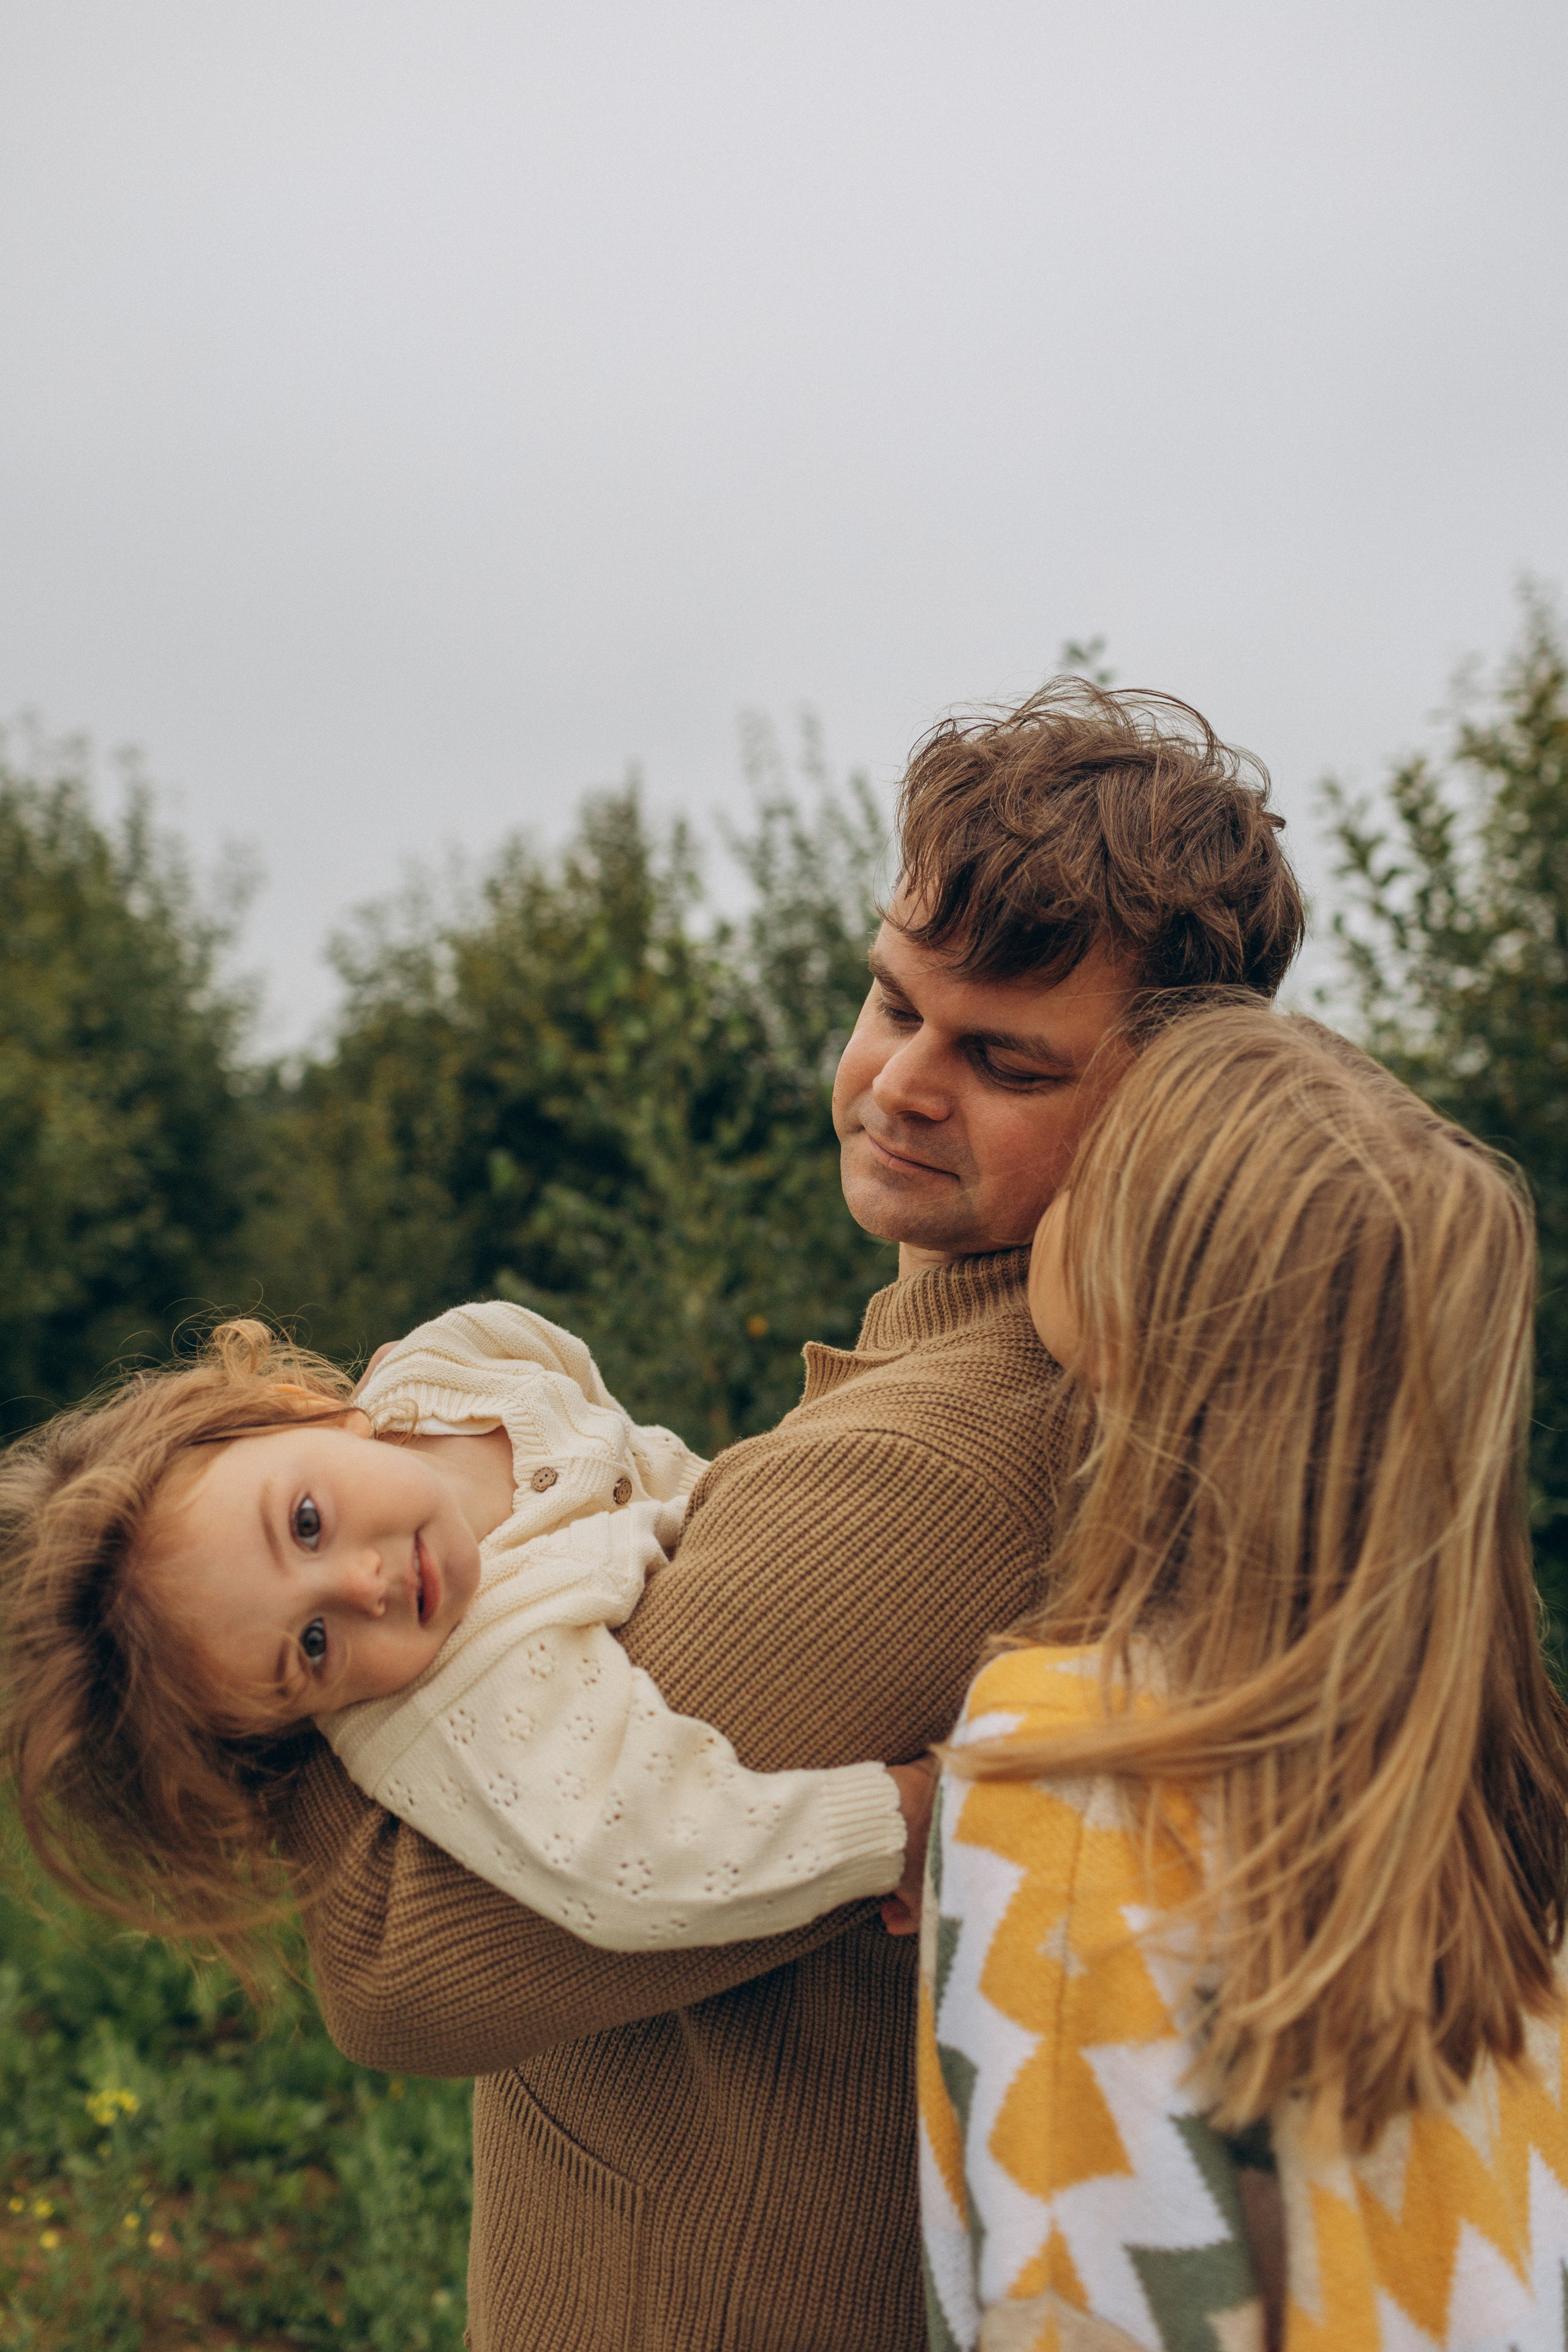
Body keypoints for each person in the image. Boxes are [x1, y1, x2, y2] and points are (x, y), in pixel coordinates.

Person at [194, 681, 1307, 2350]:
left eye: (1003, 1058)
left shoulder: (946, 1451)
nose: (902, 1082)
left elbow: (409, 1969)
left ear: (1170, 1109)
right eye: (895, 1000)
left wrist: (227, 1647)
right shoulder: (949, 1358)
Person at [921, 1003, 1568, 2352]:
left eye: (1099, 1172)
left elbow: (1082, 2297)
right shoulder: (1495, 1801)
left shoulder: (1073, 1754)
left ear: (1145, 1299)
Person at [1, 1298, 930, 1968]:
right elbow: (635, 1859)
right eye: (313, 1646)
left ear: (296, 1409)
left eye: (308, 1524)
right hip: (906, 1687)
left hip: (830, 1507)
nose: (364, 1587)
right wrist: (901, 1821)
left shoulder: (455, 1366)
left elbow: (592, 1395)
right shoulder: (470, 1695)